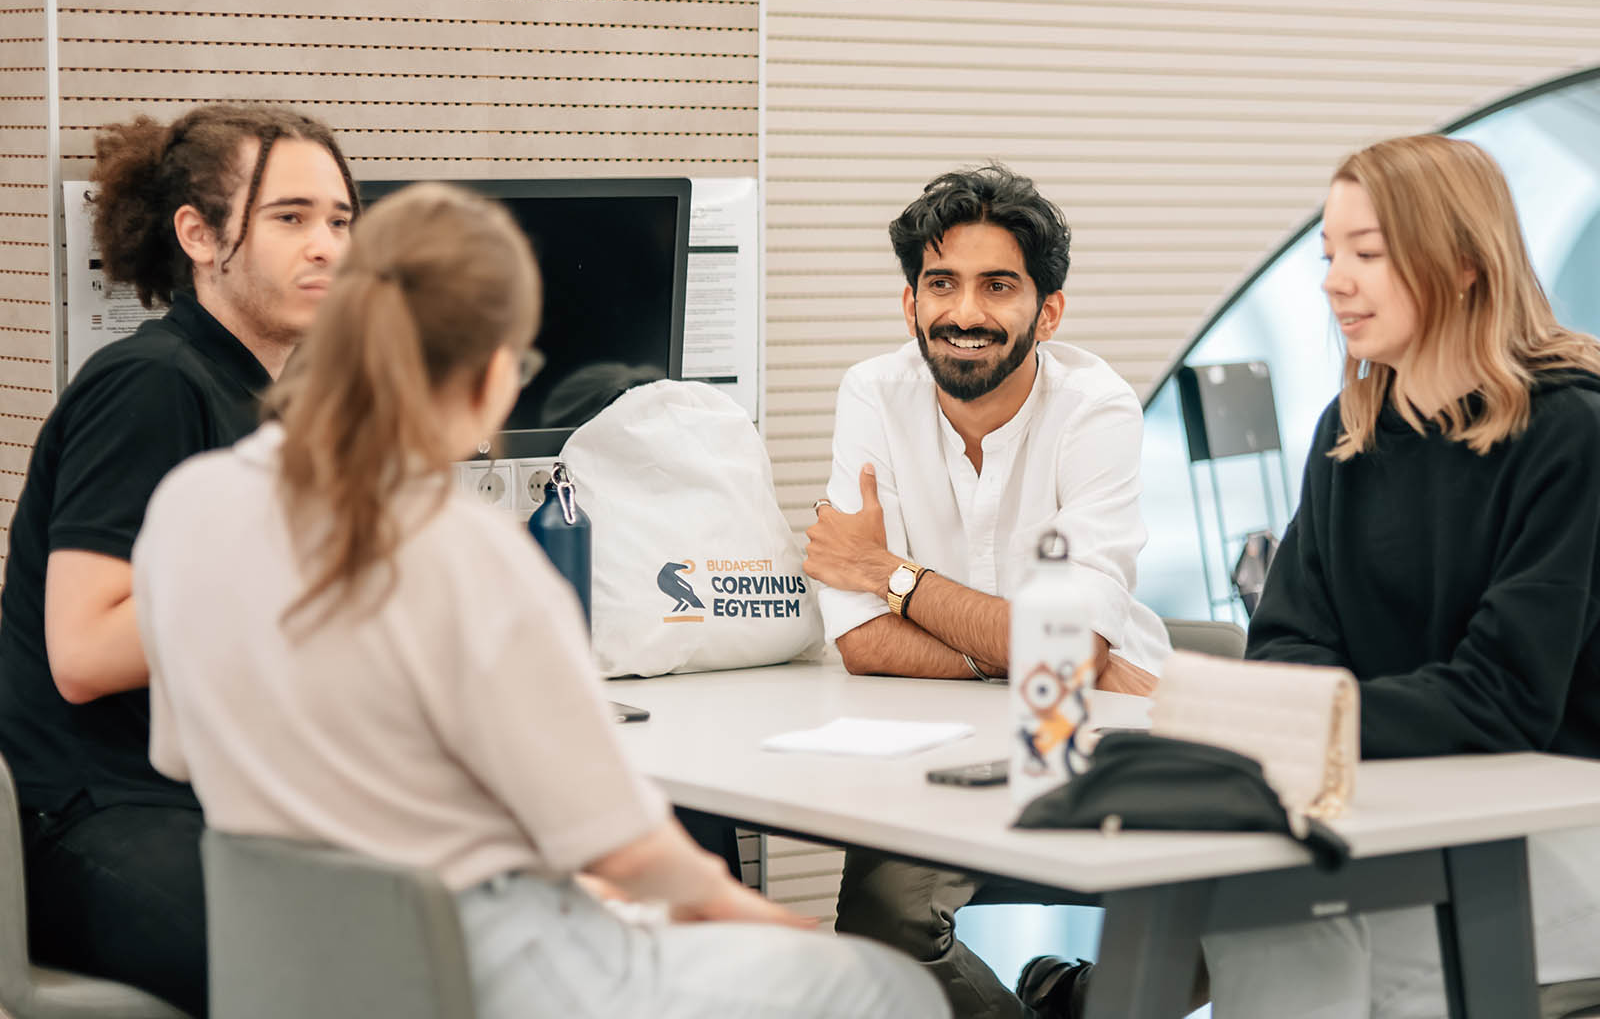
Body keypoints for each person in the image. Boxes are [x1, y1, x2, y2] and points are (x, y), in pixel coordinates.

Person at [131, 182, 944, 1019]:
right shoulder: (468, 550)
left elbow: (183, 756)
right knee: (881, 986)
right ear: (493, 375)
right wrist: (759, 917)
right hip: (490, 972)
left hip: (300, 977)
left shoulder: (186, 505)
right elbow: (623, 845)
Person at [1204, 134, 1600, 1018]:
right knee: (1252, 924)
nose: (1336, 280)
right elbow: (1289, 641)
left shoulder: (1575, 432)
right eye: (1329, 254)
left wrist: (1303, 721)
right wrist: (1290, 714)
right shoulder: (1350, 434)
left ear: (1461, 263)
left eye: (1368, 254)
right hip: (1437, 810)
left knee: (1353, 963)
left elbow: (1505, 698)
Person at [0, 103, 357, 1015]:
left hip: (227, 801)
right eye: (290, 218)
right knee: (348, 973)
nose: (325, 246)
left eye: (340, 220)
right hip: (99, 814)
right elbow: (81, 654)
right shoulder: (153, 384)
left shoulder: (272, 401)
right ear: (199, 236)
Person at [801, 163, 1170, 1019]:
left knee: (1233, 903)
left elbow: (1069, 654)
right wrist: (1037, 655)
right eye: (942, 284)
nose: (964, 314)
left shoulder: (1096, 409)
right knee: (882, 921)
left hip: (1097, 732)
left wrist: (891, 576)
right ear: (909, 303)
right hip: (940, 750)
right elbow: (861, 642)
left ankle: (1081, 1000)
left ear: (1048, 311)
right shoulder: (873, 394)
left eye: (997, 286)